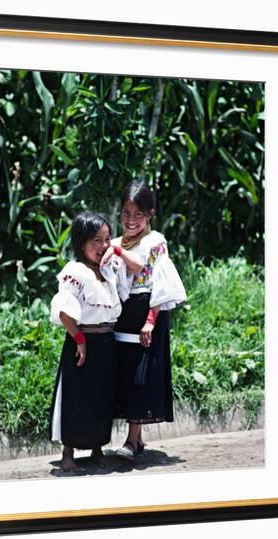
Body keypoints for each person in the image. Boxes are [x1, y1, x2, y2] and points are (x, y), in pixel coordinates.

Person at [48, 212, 142, 472]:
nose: (103, 246)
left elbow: (138, 268)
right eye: (96, 241)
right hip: (83, 343)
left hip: (107, 343)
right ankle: (68, 453)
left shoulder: (109, 271)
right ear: (81, 243)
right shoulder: (75, 272)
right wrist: (78, 339)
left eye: (107, 239)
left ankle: (96, 449)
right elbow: (64, 312)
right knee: (77, 396)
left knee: (102, 398)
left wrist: (117, 252)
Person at [106, 180, 187, 462]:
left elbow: (160, 285)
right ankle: (136, 442)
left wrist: (151, 321)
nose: (130, 221)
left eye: (137, 215)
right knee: (127, 376)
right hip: (124, 316)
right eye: (126, 214)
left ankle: (130, 440)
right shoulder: (114, 243)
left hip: (147, 314)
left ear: (149, 214)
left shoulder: (155, 243)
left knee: (141, 378)